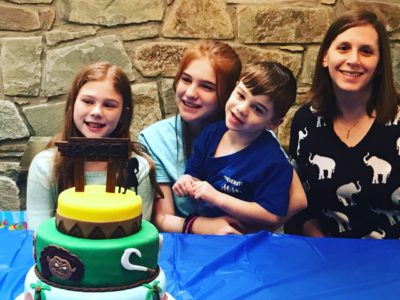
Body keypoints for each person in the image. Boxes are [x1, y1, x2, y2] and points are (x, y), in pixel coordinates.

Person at [139, 40, 306, 234]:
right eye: (186, 79)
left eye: (207, 87)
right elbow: (161, 219)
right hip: (191, 240)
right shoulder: (158, 138)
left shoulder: (257, 136)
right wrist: (203, 225)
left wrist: (244, 230)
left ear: (225, 92)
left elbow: (297, 200)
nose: (191, 93)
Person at [288, 9, 400, 238]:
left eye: (366, 51)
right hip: (325, 258)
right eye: (343, 48)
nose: (353, 60)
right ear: (325, 57)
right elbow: (300, 204)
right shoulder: (305, 121)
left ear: (380, 65)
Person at [27, 62, 159, 230]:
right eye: (88, 101)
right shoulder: (44, 166)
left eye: (109, 105)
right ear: (72, 104)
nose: (97, 112)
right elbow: (37, 233)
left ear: (124, 113)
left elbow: (140, 234)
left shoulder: (138, 169)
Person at [173, 62, 297, 232]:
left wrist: (217, 197)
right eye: (241, 96)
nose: (241, 109)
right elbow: (195, 172)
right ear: (235, 87)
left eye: (258, 109)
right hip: (211, 232)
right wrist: (187, 180)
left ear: (273, 123)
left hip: (252, 241)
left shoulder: (273, 162)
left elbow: (271, 215)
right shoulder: (211, 134)